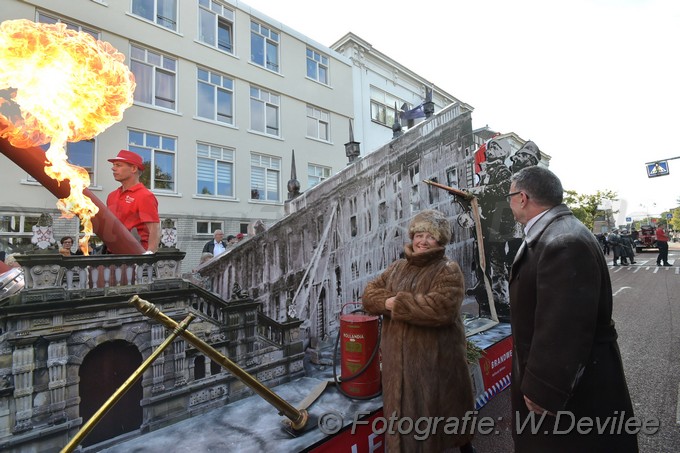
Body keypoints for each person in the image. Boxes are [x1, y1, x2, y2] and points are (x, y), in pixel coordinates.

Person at [507, 166, 638, 452]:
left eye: (510, 196)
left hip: (572, 396)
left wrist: (545, 388)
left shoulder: (562, 241)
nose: (509, 203)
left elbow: (564, 325)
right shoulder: (555, 232)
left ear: (523, 197)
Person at [362, 209, 475, 453]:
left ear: (440, 240)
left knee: (442, 417)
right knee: (403, 421)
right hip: (397, 364)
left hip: (434, 363)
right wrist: (390, 302)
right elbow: (369, 295)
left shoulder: (448, 269)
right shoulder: (397, 267)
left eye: (430, 236)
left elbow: (441, 308)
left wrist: (395, 303)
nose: (422, 241)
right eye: (419, 234)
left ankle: (464, 446)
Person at [106, 150, 160, 253]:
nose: (113, 168)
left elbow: (154, 229)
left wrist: (150, 253)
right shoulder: (112, 196)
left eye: (118, 165)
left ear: (134, 168)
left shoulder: (144, 196)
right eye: (113, 165)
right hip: (113, 255)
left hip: (135, 256)